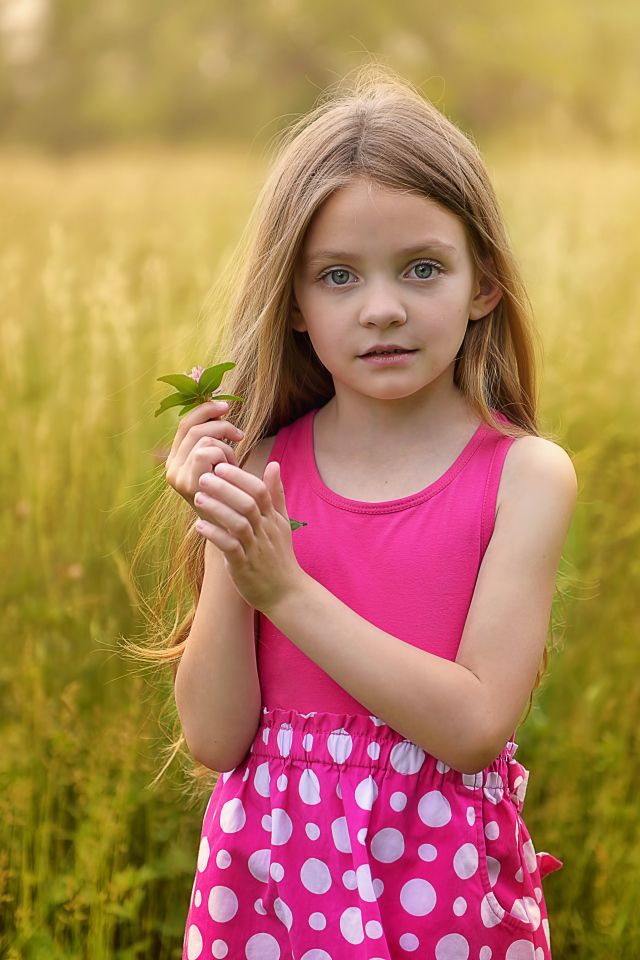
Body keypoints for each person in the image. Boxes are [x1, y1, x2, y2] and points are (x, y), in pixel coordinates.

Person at [161, 69, 577, 960]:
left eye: (422, 268)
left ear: (484, 284)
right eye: (338, 277)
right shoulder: (266, 461)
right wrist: (228, 526)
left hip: (439, 895)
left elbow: (471, 729)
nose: (382, 308)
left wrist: (287, 588)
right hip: (270, 892)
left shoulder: (524, 478)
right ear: (298, 306)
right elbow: (214, 734)